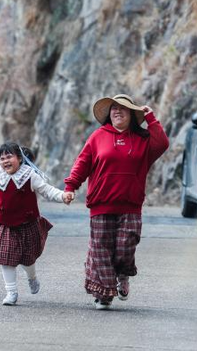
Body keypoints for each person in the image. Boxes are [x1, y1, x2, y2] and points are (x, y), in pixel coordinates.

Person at [64, 93, 169, 308]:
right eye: (114, 108)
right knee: (101, 248)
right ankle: (103, 295)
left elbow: (163, 143)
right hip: (101, 203)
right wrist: (70, 186)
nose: (117, 111)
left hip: (130, 205)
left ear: (131, 114)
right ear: (108, 114)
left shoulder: (142, 140)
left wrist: (150, 119)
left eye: (123, 108)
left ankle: (122, 275)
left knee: (125, 246)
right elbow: (82, 162)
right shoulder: (97, 136)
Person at [0, 141, 74, 305]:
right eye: (2, 158)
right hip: (5, 225)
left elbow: (47, 191)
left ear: (19, 158)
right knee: (5, 258)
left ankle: (32, 277)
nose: (5, 161)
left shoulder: (30, 175)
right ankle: (11, 292)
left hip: (28, 224)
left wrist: (63, 196)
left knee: (28, 259)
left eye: (9, 156)